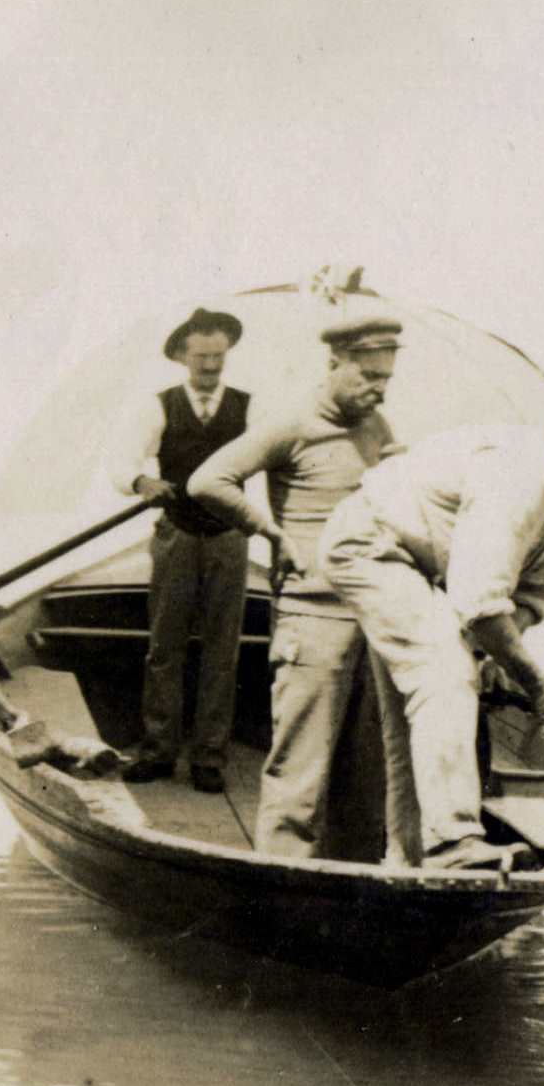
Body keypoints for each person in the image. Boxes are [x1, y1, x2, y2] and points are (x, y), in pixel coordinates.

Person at [318, 385, 544, 869]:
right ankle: (452, 845)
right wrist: (540, 687)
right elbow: (480, 601)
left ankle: (407, 862)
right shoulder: (520, 476)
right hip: (370, 545)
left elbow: (528, 597)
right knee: (444, 670)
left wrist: (491, 654)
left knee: (418, 719)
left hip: (429, 573)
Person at [187, 312, 403, 857]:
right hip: (313, 616)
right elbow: (207, 480)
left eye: (386, 378)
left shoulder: (375, 424)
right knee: (300, 763)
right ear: (336, 363)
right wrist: (269, 531)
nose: (378, 390)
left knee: (367, 765)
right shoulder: (291, 422)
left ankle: (356, 885)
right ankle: (281, 872)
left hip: (373, 614)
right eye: (369, 376)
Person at [109, 308, 251, 794]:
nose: (210, 366)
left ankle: (209, 759)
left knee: (222, 653)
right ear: (182, 358)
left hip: (230, 539)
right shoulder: (159, 406)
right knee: (164, 648)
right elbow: (121, 463)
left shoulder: (250, 408)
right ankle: (159, 751)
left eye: (217, 356)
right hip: (177, 536)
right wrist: (141, 480)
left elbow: (277, 462)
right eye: (201, 357)